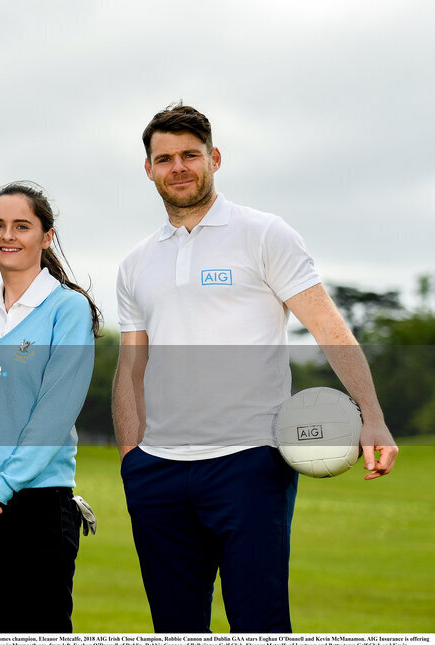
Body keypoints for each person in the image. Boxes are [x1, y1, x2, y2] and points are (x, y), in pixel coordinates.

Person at [113, 103, 399, 633]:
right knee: (174, 629)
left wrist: (373, 417)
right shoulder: (135, 262)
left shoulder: (265, 234)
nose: (178, 166)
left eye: (190, 155)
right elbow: (133, 364)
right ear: (148, 169)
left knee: (260, 625)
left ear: (214, 158)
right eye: (165, 158)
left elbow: (330, 331)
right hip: (157, 472)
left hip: (249, 462)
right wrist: (132, 455)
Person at [0, 182, 98, 632]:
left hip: (39, 504)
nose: (8, 235)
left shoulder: (68, 310)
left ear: (46, 237)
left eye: (22, 226)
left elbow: (55, 413)